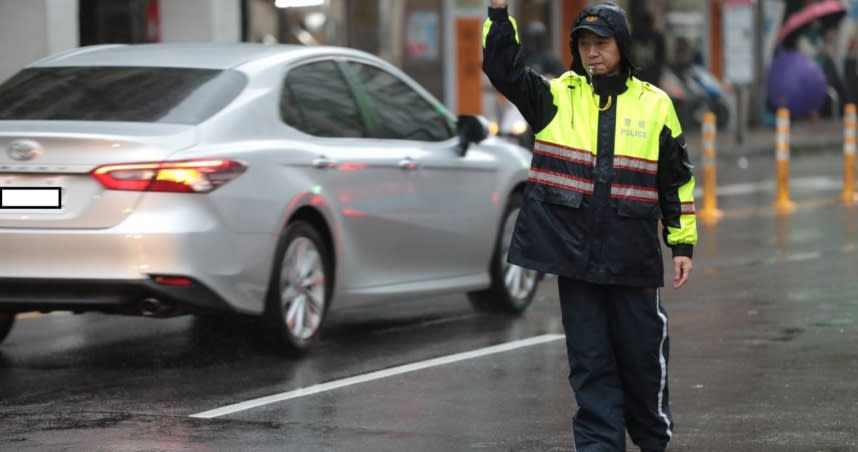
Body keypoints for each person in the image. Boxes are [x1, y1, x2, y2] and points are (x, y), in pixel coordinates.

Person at [482, 2, 697, 452]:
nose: (592, 53)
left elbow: (675, 179)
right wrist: (499, 14)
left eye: (601, 43)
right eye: (584, 44)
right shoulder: (557, 97)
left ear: (622, 46)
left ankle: (653, 441)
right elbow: (503, 70)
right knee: (590, 365)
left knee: (643, 364)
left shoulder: (655, 105)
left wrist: (681, 243)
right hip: (575, 262)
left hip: (631, 262)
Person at [629, 10, 665, 86]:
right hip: (652, 78)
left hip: (635, 77)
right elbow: (662, 57)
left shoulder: (632, 36)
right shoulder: (657, 37)